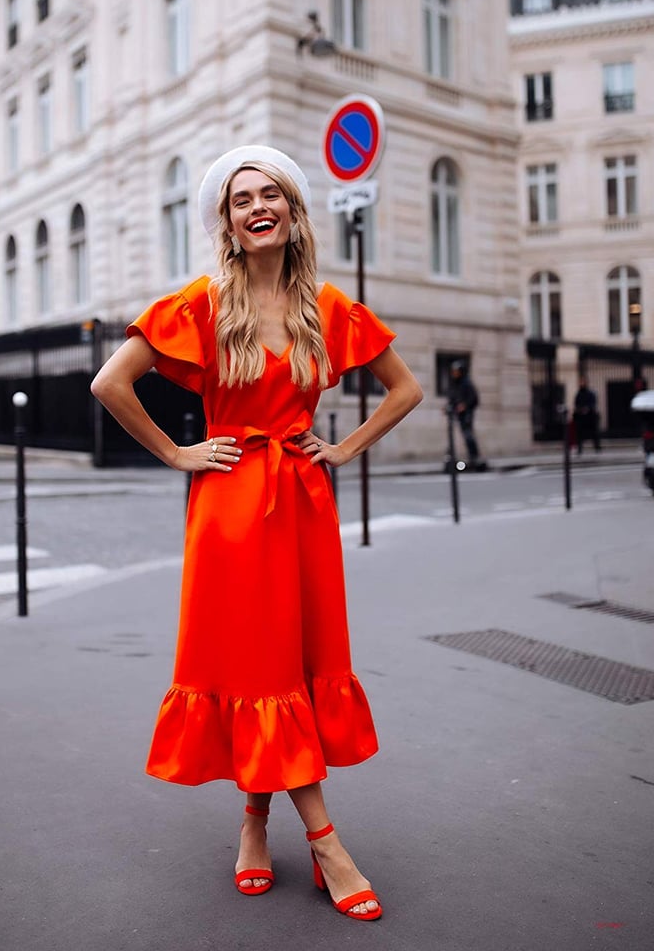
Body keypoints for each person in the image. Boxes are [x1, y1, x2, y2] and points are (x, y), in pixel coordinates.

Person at [91, 145, 422, 921]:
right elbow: (111, 381)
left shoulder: (327, 309)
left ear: (293, 213)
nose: (256, 205)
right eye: (241, 199)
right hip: (231, 512)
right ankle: (326, 841)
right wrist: (176, 451)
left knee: (289, 667)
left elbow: (404, 390)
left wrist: (341, 448)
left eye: (269, 193)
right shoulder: (203, 303)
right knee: (257, 669)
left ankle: (252, 819)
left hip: (303, 506)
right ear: (229, 224)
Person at [447, 360, 483, 466]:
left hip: (467, 414)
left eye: (456, 371)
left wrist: (465, 405)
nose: (454, 373)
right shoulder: (455, 384)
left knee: (468, 435)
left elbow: (474, 399)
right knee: (462, 434)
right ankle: (456, 456)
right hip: (459, 415)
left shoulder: (466, 383)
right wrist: (448, 407)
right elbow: (453, 398)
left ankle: (474, 456)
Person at [573, 376, 601, 453]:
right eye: (580, 382)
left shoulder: (590, 393)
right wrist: (580, 410)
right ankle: (580, 449)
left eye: (583, 382)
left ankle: (597, 447)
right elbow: (576, 404)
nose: (581, 384)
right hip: (581, 417)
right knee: (579, 433)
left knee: (594, 433)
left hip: (590, 416)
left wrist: (587, 409)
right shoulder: (578, 394)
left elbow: (593, 403)